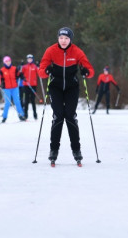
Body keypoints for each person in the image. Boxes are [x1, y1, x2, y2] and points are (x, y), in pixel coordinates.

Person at [38, 27, 95, 164]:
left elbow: (90, 71)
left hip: (71, 88)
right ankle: (53, 150)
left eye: (66, 38)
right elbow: (41, 72)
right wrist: (47, 70)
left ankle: (76, 150)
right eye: (61, 38)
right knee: (58, 116)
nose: (63, 41)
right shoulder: (50, 50)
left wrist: (86, 71)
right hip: (55, 87)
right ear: (58, 38)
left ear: (70, 40)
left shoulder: (77, 51)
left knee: (70, 116)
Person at [0, 56, 27, 122]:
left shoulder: (14, 68)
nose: (8, 63)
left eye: (9, 61)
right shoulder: (2, 70)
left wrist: (22, 76)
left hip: (15, 88)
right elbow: (0, 78)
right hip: (6, 89)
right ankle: (4, 117)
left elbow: (19, 74)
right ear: (4, 62)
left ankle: (21, 115)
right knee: (7, 103)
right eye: (6, 61)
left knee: (17, 102)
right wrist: (1, 84)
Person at [21, 54, 39, 120]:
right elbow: (20, 73)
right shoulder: (25, 66)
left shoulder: (34, 66)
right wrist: (21, 66)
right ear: (27, 59)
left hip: (33, 85)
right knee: (26, 100)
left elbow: (39, 73)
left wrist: (38, 67)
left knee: (33, 100)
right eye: (28, 59)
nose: (29, 60)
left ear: (32, 59)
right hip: (26, 85)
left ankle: (35, 114)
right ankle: (25, 114)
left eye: (31, 59)